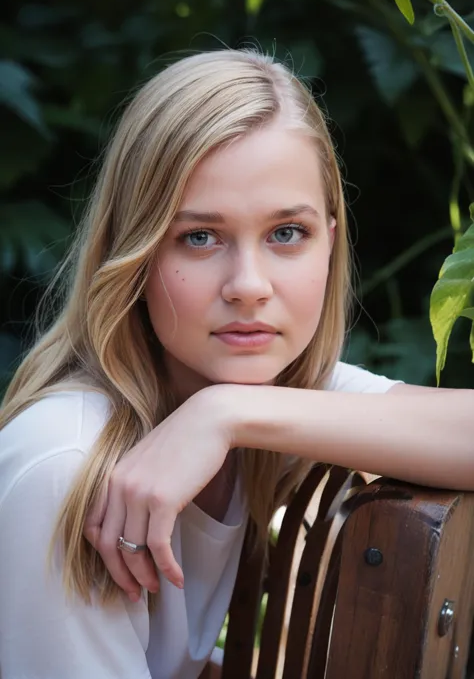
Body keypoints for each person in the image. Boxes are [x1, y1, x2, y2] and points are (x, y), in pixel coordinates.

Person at [0, 48, 472, 679]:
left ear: (329, 241)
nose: (248, 285)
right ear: (132, 252)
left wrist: (228, 411)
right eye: (199, 237)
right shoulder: (65, 464)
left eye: (285, 234)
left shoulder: (253, 392)